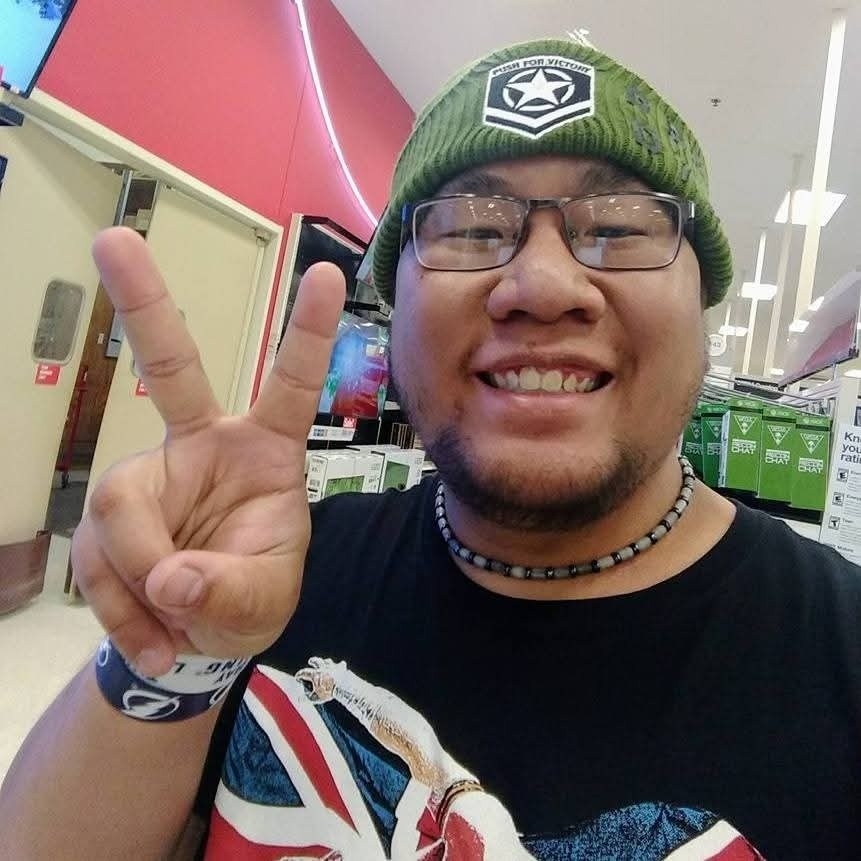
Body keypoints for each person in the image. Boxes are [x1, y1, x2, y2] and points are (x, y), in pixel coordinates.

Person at [1, 36, 859, 861]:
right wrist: (174, 647)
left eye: (619, 228)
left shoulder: (838, 648)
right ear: (395, 306)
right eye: (473, 230)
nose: (541, 285)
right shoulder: (277, 573)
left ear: (701, 303)